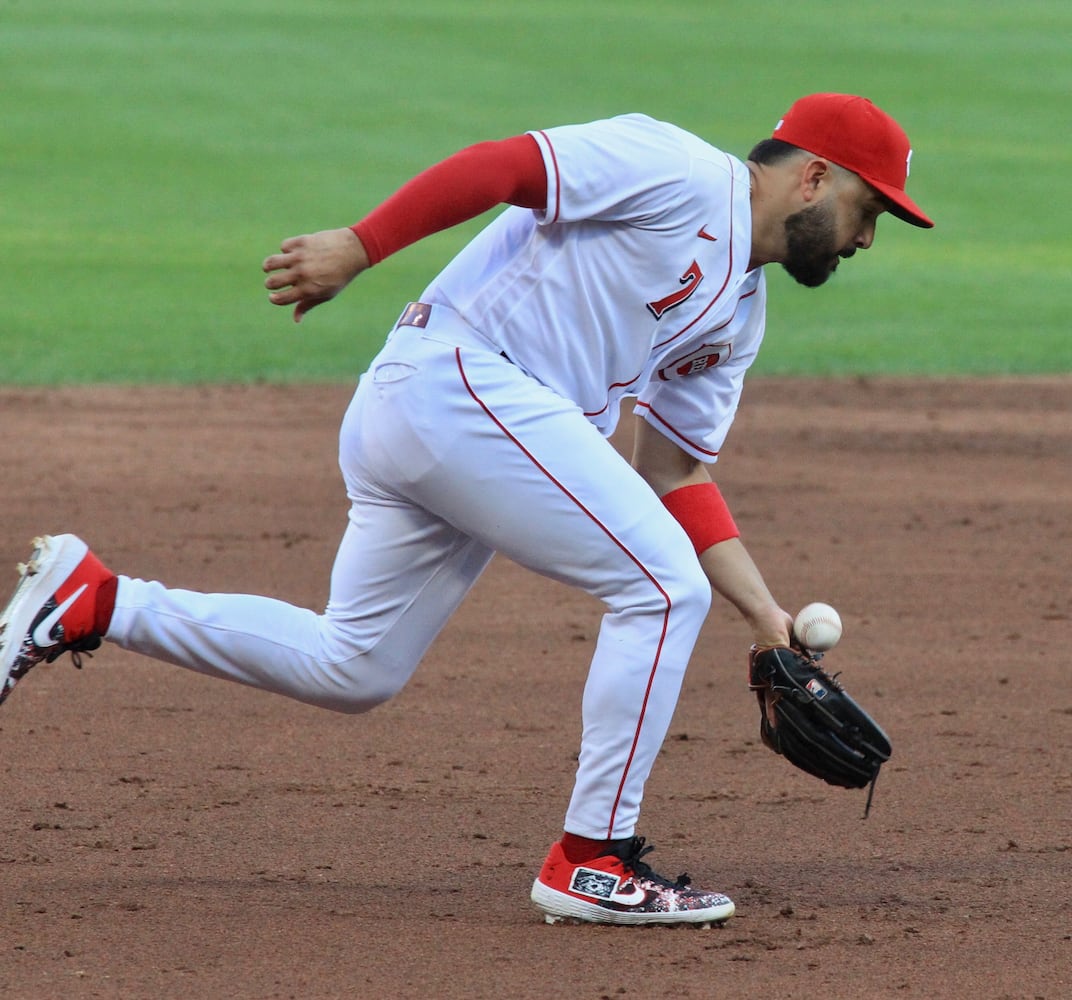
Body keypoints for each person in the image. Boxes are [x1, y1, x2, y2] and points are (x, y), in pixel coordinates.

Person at [0, 93, 932, 926]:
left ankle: (95, 599)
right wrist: (360, 247)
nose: (866, 240)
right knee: (659, 590)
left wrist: (766, 618)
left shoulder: (741, 314)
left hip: (454, 422)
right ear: (813, 175)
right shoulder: (679, 170)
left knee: (353, 665)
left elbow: (676, 476)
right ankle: (593, 860)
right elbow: (506, 166)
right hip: (459, 382)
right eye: (869, 210)